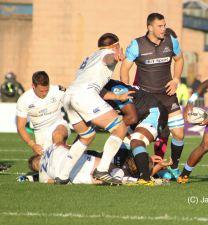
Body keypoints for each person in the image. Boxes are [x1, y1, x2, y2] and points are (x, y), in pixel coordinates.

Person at [55, 33, 133, 185]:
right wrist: (115, 56)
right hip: (84, 96)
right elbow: (108, 58)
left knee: (86, 136)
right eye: (118, 46)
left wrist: (117, 97)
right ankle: (102, 170)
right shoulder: (108, 53)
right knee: (120, 128)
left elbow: (96, 87)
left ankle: (63, 176)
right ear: (115, 45)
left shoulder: (90, 58)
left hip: (69, 97)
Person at [120, 13, 185, 180]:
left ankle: (174, 167)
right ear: (150, 27)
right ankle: (127, 166)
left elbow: (179, 59)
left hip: (167, 95)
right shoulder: (137, 45)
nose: (164, 29)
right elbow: (125, 68)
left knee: (178, 134)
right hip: (146, 99)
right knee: (134, 136)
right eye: (160, 26)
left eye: (164, 25)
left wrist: (176, 79)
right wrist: (125, 91)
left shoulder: (172, 42)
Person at [102, 79, 168, 184]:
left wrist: (107, 127)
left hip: (151, 111)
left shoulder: (116, 89)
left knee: (136, 141)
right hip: (135, 116)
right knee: (119, 152)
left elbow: (132, 118)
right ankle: (150, 171)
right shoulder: (93, 92)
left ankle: (145, 179)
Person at [28, 144, 171, 185]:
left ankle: (146, 175)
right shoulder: (51, 149)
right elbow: (66, 146)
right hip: (84, 160)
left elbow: (52, 182)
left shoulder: (42, 174)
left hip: (74, 173)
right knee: (110, 173)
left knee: (105, 177)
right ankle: (146, 176)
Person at [16, 71, 70, 155]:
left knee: (57, 135)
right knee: (36, 164)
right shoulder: (24, 100)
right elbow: (20, 127)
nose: (44, 93)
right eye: (41, 91)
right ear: (33, 86)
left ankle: (61, 151)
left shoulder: (58, 90)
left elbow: (74, 100)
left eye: (46, 90)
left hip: (59, 125)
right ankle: (67, 150)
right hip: (40, 133)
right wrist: (33, 145)